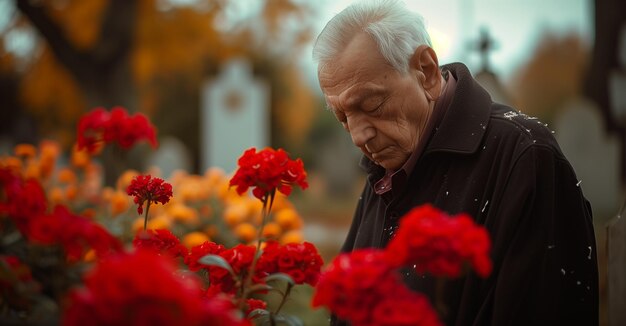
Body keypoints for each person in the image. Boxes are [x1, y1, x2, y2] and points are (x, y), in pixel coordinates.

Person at [312, 0, 599, 325]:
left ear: (427, 72)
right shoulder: (387, 165)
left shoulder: (527, 158)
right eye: (343, 118)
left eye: (374, 104)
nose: (358, 136)